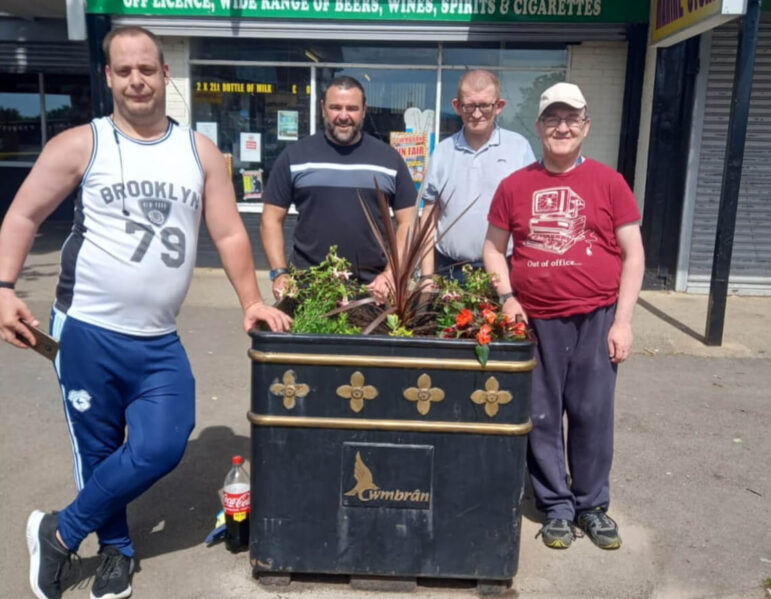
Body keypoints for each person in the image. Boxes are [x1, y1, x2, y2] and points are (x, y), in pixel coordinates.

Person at [0, 26, 291, 599]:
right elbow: (22, 217)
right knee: (100, 449)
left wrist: (252, 299)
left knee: (163, 442)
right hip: (86, 330)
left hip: (159, 337)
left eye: (147, 69)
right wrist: (4, 285)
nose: (137, 80)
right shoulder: (81, 145)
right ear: (109, 77)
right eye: (124, 70)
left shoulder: (200, 152)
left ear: (164, 74)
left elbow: (230, 231)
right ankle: (117, 552)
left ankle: (60, 530)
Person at [483, 82, 644, 551]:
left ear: (586, 125)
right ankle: (556, 506)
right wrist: (508, 296)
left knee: (593, 415)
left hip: (597, 317)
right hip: (536, 322)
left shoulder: (610, 183)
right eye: (553, 118)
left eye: (571, 118)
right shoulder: (515, 186)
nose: (562, 127)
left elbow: (634, 255)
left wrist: (623, 321)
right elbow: (493, 249)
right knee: (542, 417)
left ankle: (591, 505)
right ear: (538, 127)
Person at [260, 76, 416, 303]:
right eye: (335, 107)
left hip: (373, 291)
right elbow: (270, 220)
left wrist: (392, 274)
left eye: (352, 108)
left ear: (364, 110)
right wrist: (280, 272)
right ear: (323, 108)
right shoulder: (295, 157)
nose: (343, 116)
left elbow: (409, 221)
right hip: (308, 290)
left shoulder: (388, 160)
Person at [420, 69, 535, 282]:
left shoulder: (519, 149)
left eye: (484, 106)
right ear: (457, 106)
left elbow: (530, 214)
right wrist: (427, 276)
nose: (476, 113)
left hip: (503, 271)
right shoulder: (443, 152)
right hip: (449, 270)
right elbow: (429, 216)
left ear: (499, 106)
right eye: (469, 105)